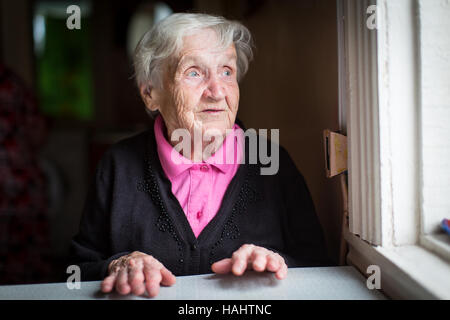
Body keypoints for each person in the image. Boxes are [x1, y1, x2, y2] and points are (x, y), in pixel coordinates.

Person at [70, 13, 330, 298]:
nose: (217, 91)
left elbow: (318, 265)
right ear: (150, 93)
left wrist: (279, 266)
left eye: (227, 72)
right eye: (194, 72)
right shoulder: (118, 166)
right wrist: (117, 265)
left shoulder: (272, 162)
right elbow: (77, 270)